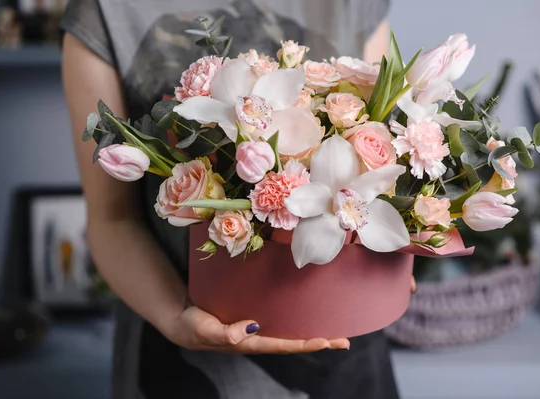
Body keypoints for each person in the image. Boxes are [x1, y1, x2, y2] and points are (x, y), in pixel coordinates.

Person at [61, 1, 411, 398]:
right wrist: (175, 316)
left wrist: (396, 254)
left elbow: (382, 147)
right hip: (185, 359)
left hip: (346, 351)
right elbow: (112, 220)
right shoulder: (106, 12)